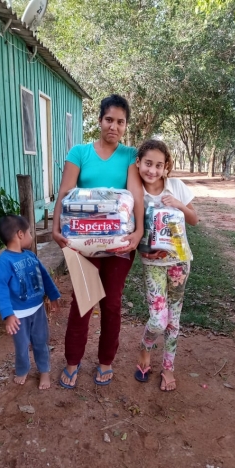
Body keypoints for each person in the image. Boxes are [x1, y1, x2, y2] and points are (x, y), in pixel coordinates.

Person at [52, 94, 144, 388]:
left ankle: (105, 362)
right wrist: (56, 229)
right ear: (99, 120)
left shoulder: (130, 156)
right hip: (82, 245)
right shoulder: (79, 152)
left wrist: (139, 231)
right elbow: (65, 193)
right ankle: (72, 361)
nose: (113, 126)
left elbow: (136, 197)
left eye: (120, 122)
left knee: (112, 305)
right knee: (83, 303)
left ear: (126, 125)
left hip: (119, 247)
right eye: (108, 120)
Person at [134, 139, 198, 391]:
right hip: (153, 263)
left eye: (159, 165)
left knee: (174, 320)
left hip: (180, 261)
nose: (152, 170)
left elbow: (194, 219)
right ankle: (145, 348)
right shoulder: (135, 190)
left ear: (166, 167)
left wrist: (179, 205)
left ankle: (168, 367)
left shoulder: (176, 187)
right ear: (139, 163)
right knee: (159, 320)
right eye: (148, 163)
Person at [0, 215, 60, 390]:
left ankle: (44, 370)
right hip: (18, 315)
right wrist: (8, 315)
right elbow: (0, 288)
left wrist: (53, 295)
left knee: (41, 341)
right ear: (20, 234)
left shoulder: (30, 256)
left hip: (38, 310)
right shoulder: (4, 261)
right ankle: (23, 369)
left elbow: (44, 276)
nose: (31, 236)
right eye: (30, 232)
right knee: (21, 346)